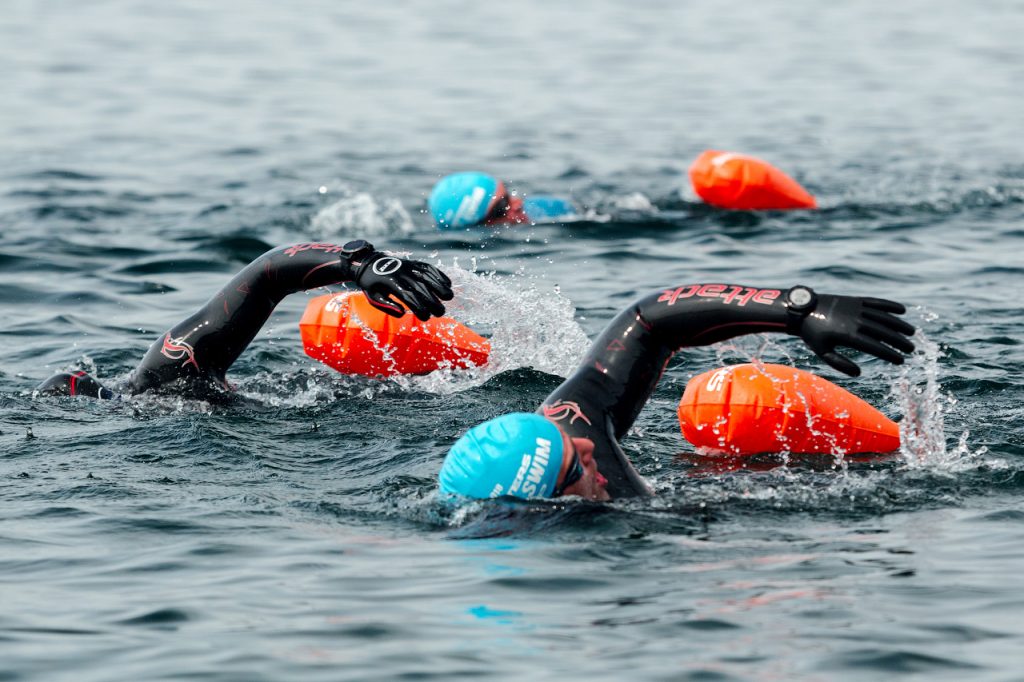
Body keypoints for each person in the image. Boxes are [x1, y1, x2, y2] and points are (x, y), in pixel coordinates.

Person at [439, 283, 916, 502]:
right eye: (576, 464)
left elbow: (647, 322)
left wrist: (798, 310)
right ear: (549, 502)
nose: (589, 447)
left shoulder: (567, 428)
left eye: (570, 441)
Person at [37, 240, 453, 399]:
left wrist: (359, 263)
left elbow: (265, 278)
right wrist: (358, 263)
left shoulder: (166, 376)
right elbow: (265, 277)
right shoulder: (165, 378)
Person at [428, 172, 577, 229]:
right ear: (482, 223)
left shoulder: (550, 208)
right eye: (502, 206)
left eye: (508, 195)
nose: (518, 203)